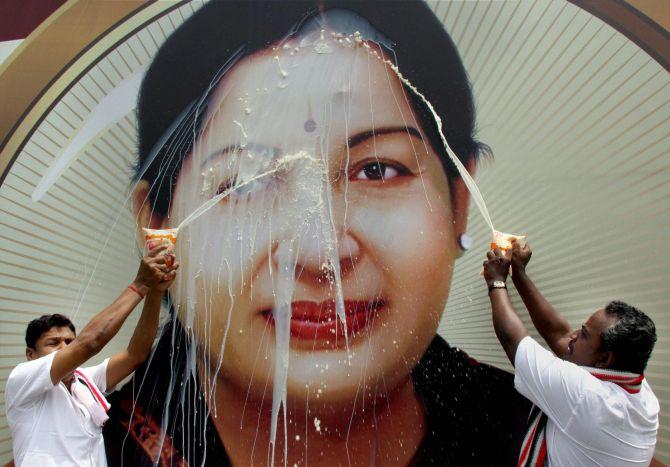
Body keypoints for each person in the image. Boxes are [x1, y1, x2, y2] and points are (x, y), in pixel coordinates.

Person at [103, 2, 531, 465]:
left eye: (376, 170)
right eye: (246, 183)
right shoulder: (81, 447)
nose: (319, 253)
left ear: (458, 201)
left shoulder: (544, 436)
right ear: (158, 224)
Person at [482, 242, 659, 466]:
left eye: (584, 335)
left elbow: (513, 341)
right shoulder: (640, 392)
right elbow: (559, 335)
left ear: (605, 359)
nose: (573, 335)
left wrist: (496, 282)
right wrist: (519, 273)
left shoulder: (589, 399)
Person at [5, 242, 178, 467]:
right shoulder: (23, 380)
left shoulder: (84, 381)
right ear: (31, 354)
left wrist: (156, 291)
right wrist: (140, 285)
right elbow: (89, 344)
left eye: (69, 341)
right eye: (53, 343)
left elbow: (135, 354)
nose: (64, 347)